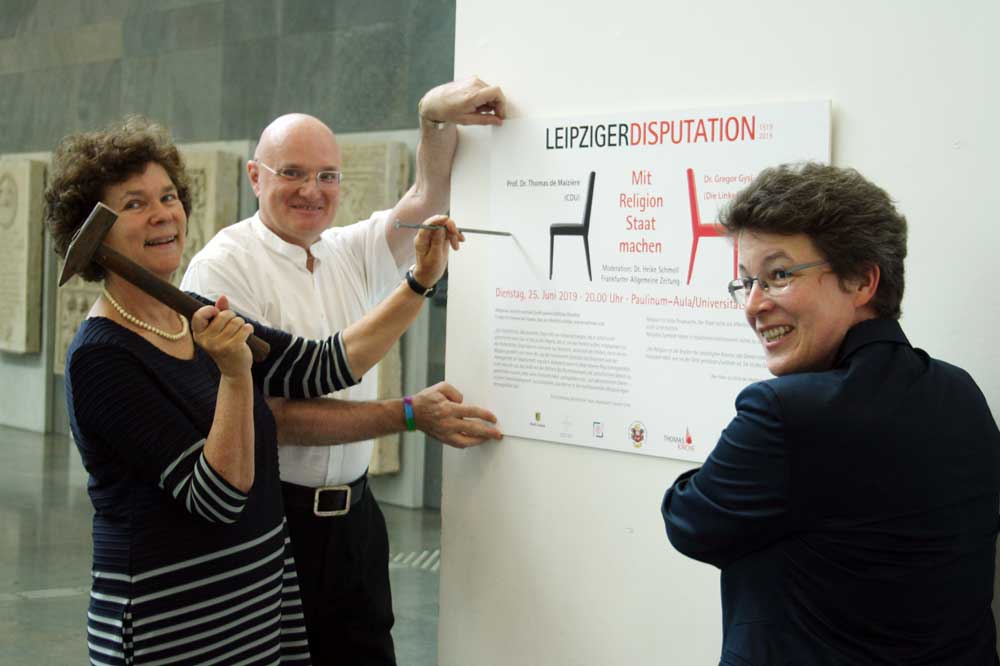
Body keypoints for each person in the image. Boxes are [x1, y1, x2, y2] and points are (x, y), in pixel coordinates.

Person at [45, 117, 463, 666]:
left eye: (168, 195)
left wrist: (418, 282)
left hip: (252, 608)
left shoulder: (190, 316)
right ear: (92, 231)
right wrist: (237, 375)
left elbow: (321, 366)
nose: (162, 213)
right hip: (172, 625)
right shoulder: (104, 355)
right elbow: (217, 495)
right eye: (133, 204)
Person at [180, 77, 506, 664]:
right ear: (256, 177)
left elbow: (429, 194)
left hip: (356, 520)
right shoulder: (223, 270)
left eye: (327, 176)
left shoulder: (347, 249)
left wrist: (432, 118)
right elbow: (272, 418)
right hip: (273, 525)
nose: (313, 190)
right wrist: (406, 414)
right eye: (294, 173)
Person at [661, 163, 1000, 665]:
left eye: (777, 276)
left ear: (862, 280)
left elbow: (688, 520)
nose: (753, 305)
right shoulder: (960, 389)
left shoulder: (783, 414)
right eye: (746, 282)